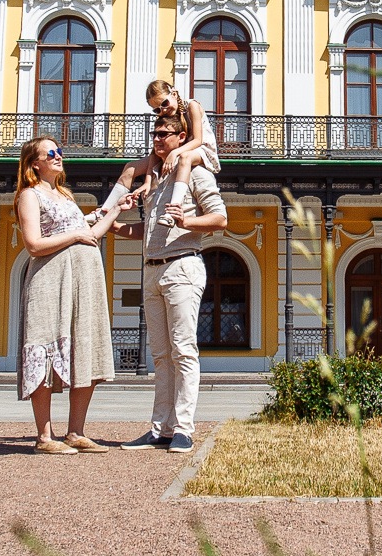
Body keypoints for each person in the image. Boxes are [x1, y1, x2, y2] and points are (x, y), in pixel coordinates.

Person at [115, 114, 227, 452]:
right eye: (155, 133)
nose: (157, 138)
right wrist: (115, 226)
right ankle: (159, 429)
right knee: (160, 355)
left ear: (182, 137)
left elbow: (220, 218)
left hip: (182, 268)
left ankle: (183, 429)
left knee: (183, 350)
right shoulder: (156, 180)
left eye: (165, 133)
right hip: (151, 269)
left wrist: (188, 220)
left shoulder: (194, 171)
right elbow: (148, 233)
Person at [13, 135, 122, 454]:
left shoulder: (65, 195)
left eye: (60, 151)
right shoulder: (29, 196)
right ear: (36, 163)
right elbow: (33, 244)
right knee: (43, 348)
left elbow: (90, 237)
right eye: (52, 153)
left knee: (84, 349)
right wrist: (75, 233)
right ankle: (45, 438)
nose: (59, 156)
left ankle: (76, 432)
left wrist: (116, 210)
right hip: (50, 283)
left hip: (82, 285)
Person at [86, 79, 216, 229]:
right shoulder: (166, 117)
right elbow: (154, 153)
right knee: (129, 167)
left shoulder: (192, 106)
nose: (163, 110)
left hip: (201, 150)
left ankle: (171, 212)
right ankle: (102, 213)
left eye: (164, 103)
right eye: (157, 109)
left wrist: (175, 153)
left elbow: (198, 140)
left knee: (185, 158)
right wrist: (147, 182)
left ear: (173, 94)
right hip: (177, 152)